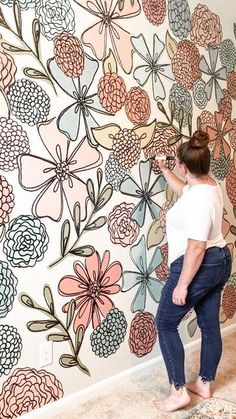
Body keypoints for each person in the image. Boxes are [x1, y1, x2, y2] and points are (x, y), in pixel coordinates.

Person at [153, 130, 232, 412]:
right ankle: (203, 383)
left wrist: (182, 285)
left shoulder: (198, 198)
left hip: (201, 262)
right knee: (209, 325)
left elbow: (196, 247)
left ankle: (177, 392)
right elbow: (183, 189)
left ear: (186, 167)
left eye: (178, 164)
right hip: (221, 259)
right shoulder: (208, 185)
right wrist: (165, 169)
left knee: (164, 322)